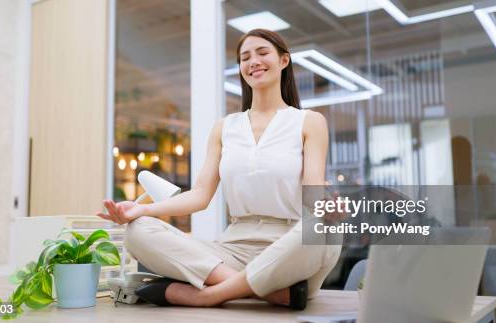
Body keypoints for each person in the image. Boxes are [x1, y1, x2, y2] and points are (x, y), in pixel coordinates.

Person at [97, 28, 341, 310]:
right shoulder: (225, 127)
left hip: (288, 246)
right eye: (245, 57)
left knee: (321, 227)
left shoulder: (309, 122)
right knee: (138, 231)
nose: (253, 61)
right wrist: (141, 210)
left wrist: (329, 209)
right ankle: (265, 292)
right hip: (232, 249)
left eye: (262, 53)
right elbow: (200, 195)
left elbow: (313, 194)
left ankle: (210, 295)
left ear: (284, 60)